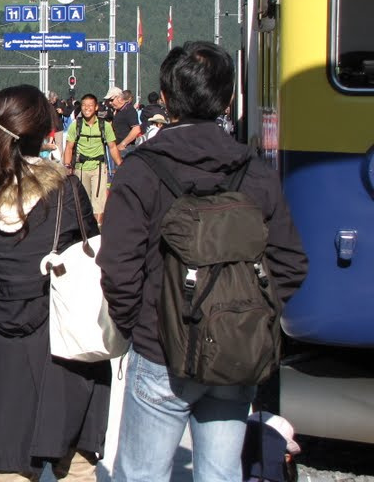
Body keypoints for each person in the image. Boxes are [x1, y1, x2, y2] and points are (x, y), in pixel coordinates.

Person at [98, 42, 308, 482]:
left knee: (141, 474)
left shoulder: (141, 171)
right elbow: (289, 263)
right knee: (220, 473)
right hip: (236, 349)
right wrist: (252, 317)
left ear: (166, 99)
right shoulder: (253, 172)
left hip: (161, 348)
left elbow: (118, 266)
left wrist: (142, 325)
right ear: (228, 99)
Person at [0, 84, 110, 482]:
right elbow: (88, 249)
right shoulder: (65, 189)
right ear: (45, 132)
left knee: (10, 459)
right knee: (73, 460)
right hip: (60, 335)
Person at [62, 94, 121, 226]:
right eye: (84, 105)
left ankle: (96, 227)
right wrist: (67, 166)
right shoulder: (75, 126)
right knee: (83, 200)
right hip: (80, 168)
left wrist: (120, 165)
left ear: (96, 107)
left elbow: (112, 147)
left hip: (99, 168)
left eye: (90, 105)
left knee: (98, 201)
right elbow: (69, 148)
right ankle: (85, 229)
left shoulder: (104, 125)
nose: (86, 108)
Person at [109, 89, 142, 157]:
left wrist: (123, 144)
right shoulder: (118, 111)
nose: (110, 103)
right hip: (118, 149)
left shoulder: (129, 110)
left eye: (111, 100)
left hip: (126, 150)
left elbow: (136, 129)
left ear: (120, 99)